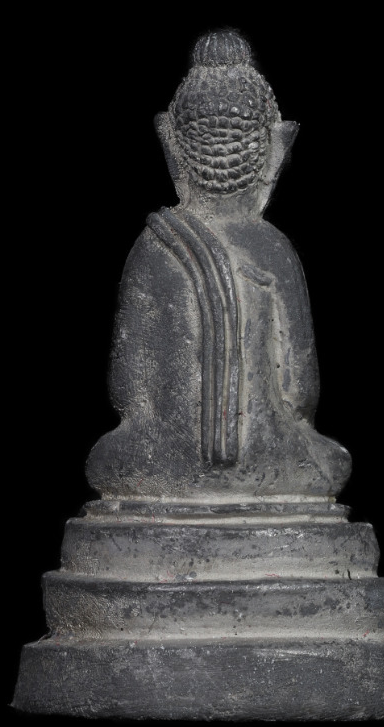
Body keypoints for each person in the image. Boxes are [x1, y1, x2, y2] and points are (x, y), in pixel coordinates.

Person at [86, 30, 351, 501]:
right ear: (269, 151)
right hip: (268, 458)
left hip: (162, 459)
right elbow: (301, 393)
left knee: (105, 461)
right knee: (332, 462)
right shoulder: (273, 248)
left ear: (174, 146)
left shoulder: (151, 248)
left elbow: (126, 391)